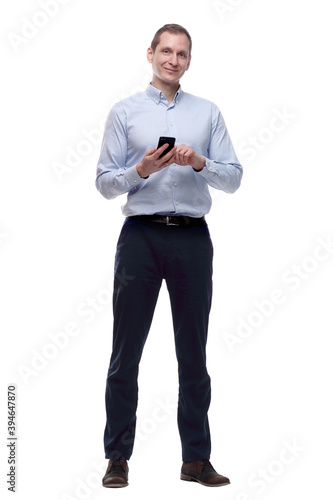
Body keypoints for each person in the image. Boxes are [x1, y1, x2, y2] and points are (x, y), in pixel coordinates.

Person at [95, 23, 243, 488]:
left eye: (181, 53)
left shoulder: (208, 112)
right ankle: (117, 455)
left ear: (189, 61)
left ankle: (196, 460)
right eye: (165, 51)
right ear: (151, 54)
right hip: (140, 237)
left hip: (193, 240)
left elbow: (234, 177)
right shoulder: (124, 112)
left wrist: (199, 162)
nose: (172, 60)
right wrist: (140, 169)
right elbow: (103, 182)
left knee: (193, 354)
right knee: (126, 352)